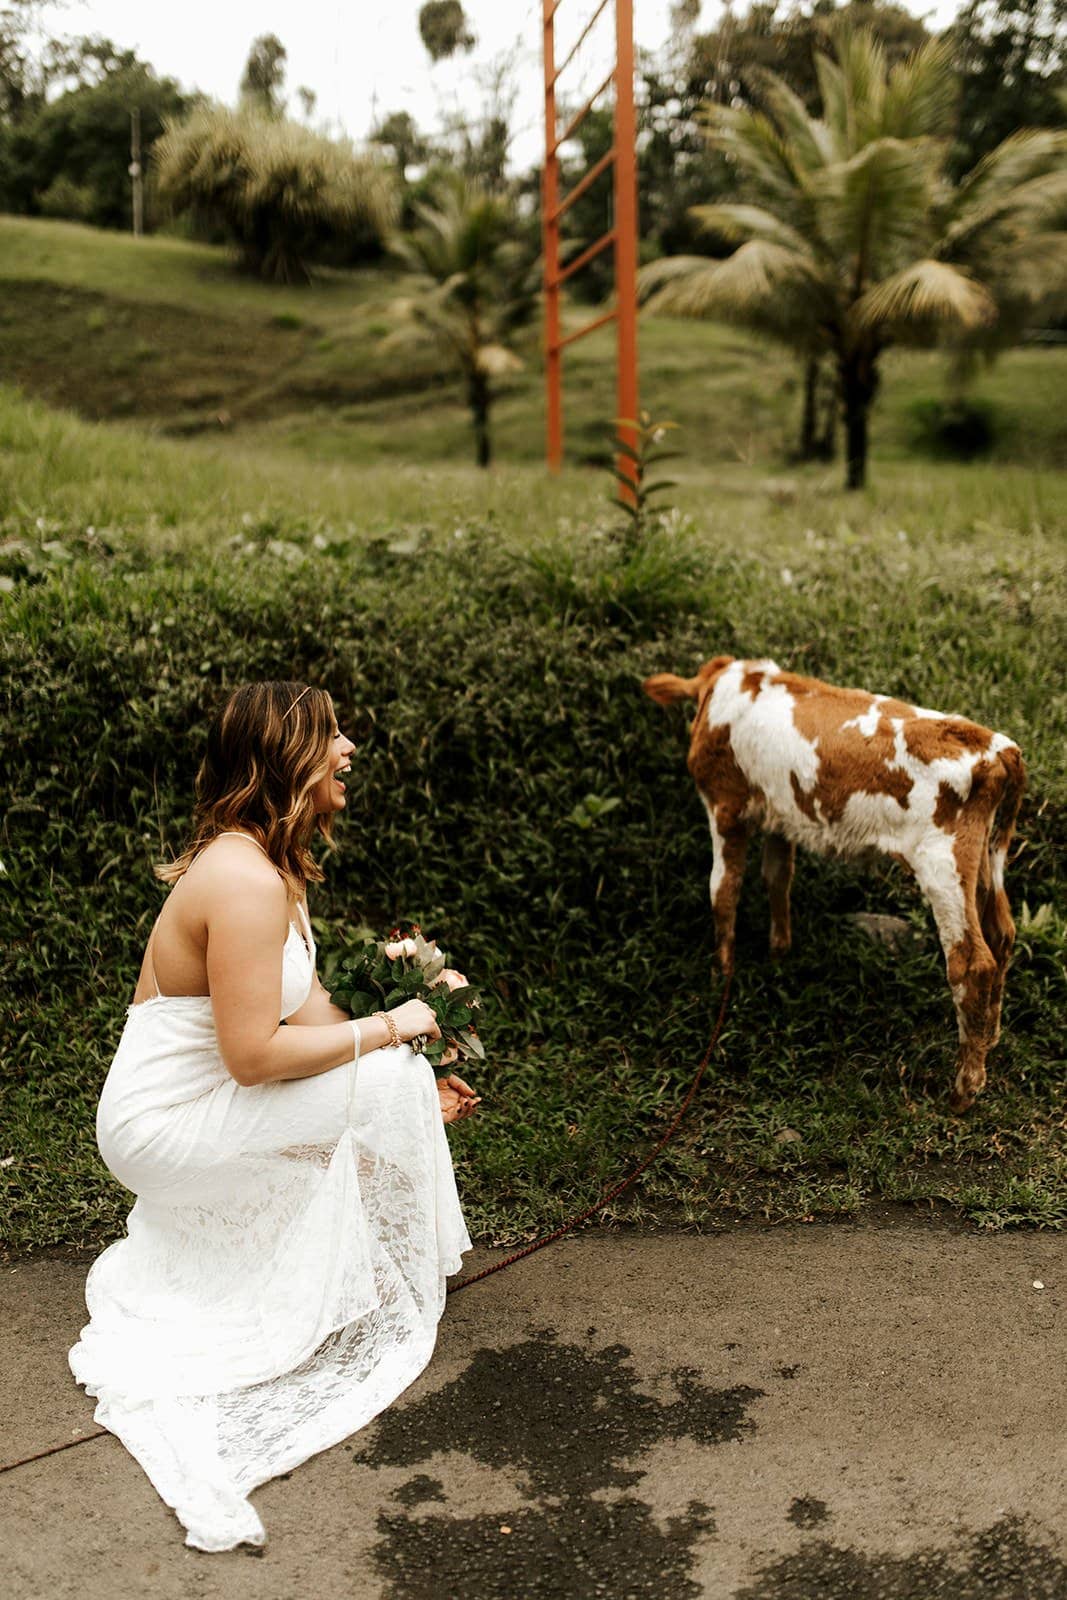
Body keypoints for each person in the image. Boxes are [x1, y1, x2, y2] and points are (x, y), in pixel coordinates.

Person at [69, 681, 477, 1552]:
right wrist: (391, 1032)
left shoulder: (272, 865)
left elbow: (311, 1013)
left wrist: (408, 1061)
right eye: (331, 735)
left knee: (392, 1079)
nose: (349, 748)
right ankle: (403, 1269)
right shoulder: (243, 880)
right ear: (288, 758)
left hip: (211, 1098)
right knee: (386, 1076)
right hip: (164, 1124)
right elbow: (255, 1056)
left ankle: (377, 1254)